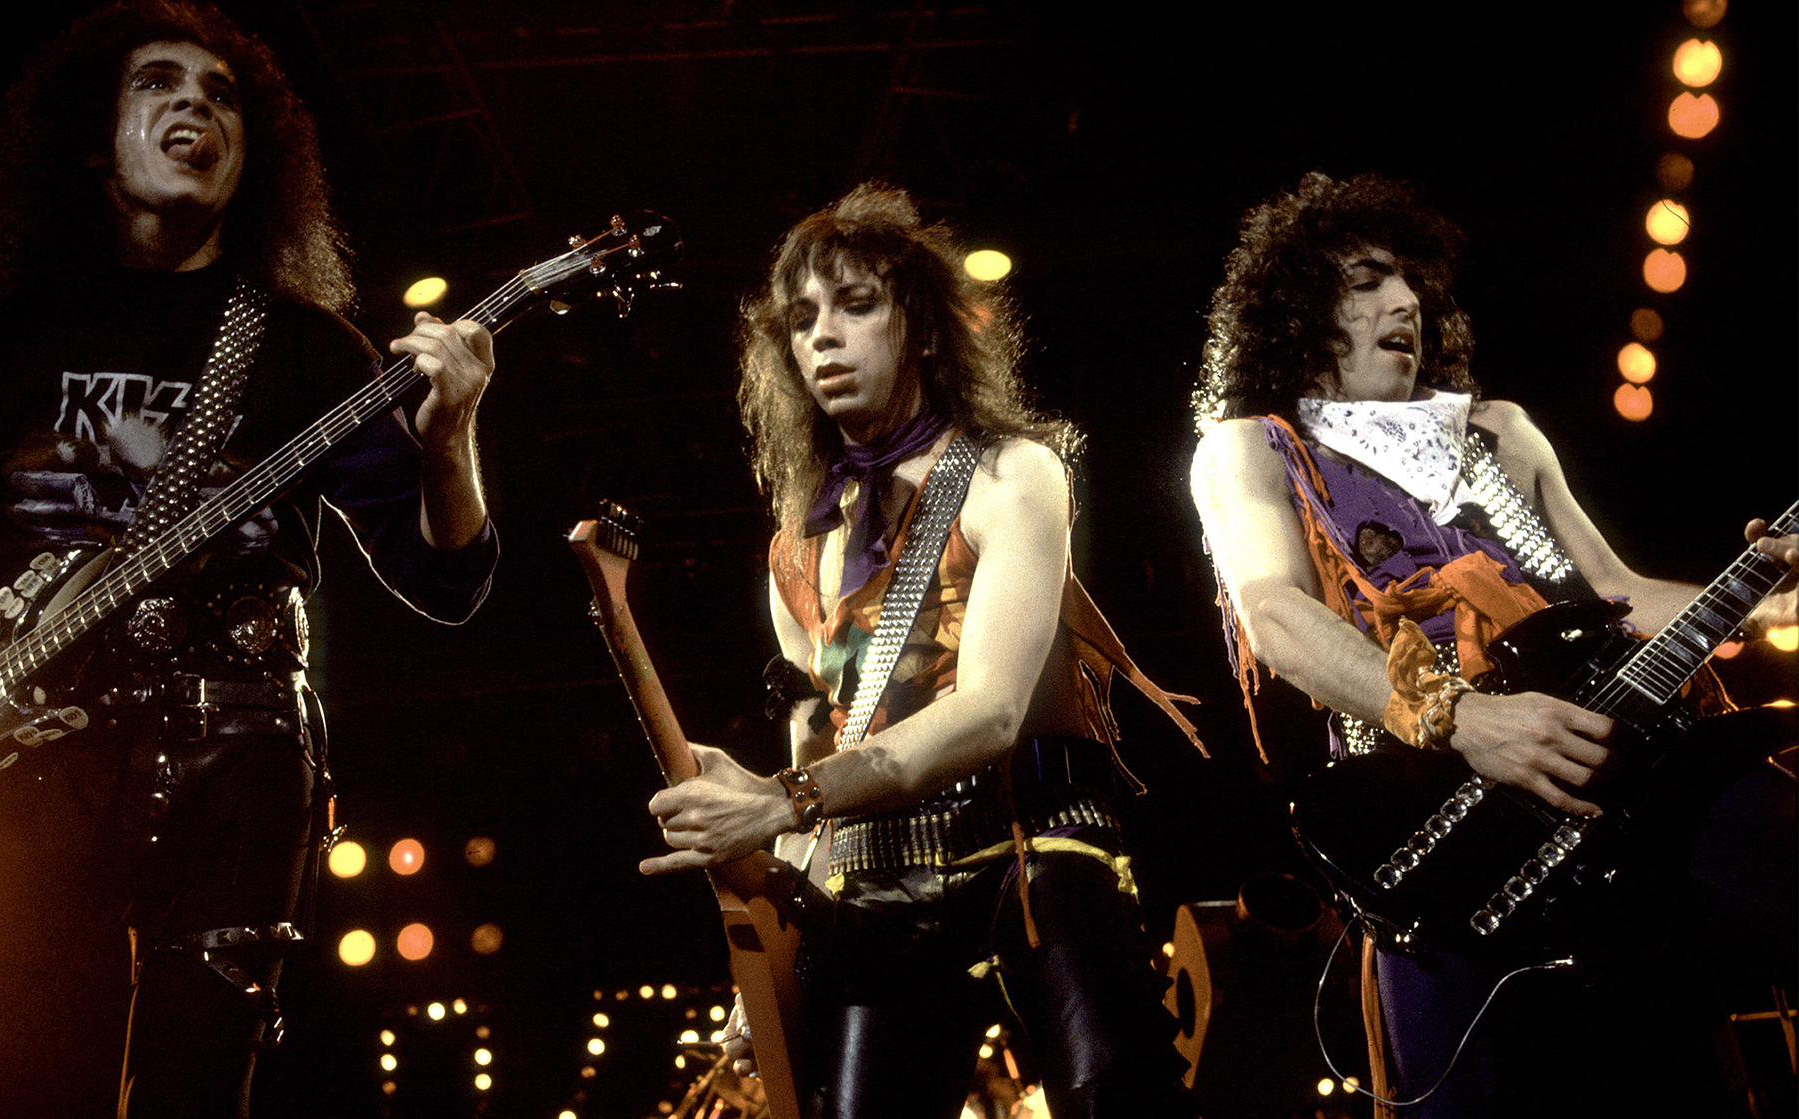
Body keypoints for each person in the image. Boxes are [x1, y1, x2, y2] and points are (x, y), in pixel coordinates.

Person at [0, 3, 497, 1115]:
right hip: (18, 740)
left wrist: (452, 437)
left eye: (222, 93)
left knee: (189, 1088)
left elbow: (444, 583)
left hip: (237, 744)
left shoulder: (308, 346)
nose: (194, 104)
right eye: (157, 83)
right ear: (91, 136)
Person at [1189, 172, 1796, 1116]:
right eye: (1364, 281)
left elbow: (1621, 595)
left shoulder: (1500, 431)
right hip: (1437, 827)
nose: (1405, 302)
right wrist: (1462, 719)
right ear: (1297, 309)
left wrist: (1768, 603)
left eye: (1411, 285)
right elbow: (1273, 613)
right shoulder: (1250, 447)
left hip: (1616, 779)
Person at [639, 185, 1199, 1118]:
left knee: (1117, 1092)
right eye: (804, 317)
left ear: (926, 329)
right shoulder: (795, 544)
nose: (823, 336)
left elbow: (989, 712)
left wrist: (782, 798)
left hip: (1031, 841)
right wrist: (776, 900)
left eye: (856, 306)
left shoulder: (1011, 472)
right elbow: (816, 753)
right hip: (874, 874)